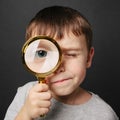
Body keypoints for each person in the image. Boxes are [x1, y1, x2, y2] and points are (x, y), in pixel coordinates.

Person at [4, 6, 119, 120]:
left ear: (88, 58)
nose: (58, 67)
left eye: (71, 54)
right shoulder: (26, 95)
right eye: (42, 54)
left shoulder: (104, 115)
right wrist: (25, 114)